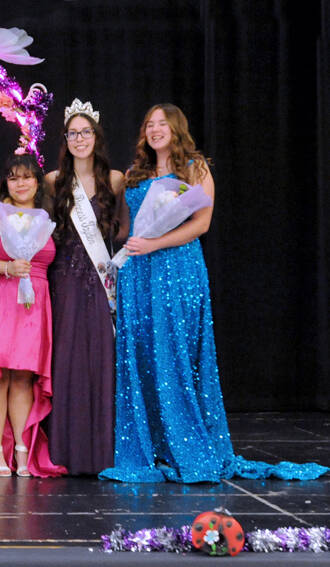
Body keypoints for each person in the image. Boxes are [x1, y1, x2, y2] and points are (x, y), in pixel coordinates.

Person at [99, 103, 327, 482]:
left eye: (162, 124)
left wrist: (155, 244)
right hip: (139, 274)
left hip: (178, 268)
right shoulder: (134, 175)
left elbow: (201, 224)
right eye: (149, 124)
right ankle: (152, 446)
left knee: (175, 352)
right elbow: (124, 229)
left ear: (176, 129)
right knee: (142, 354)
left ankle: (186, 443)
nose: (155, 130)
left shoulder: (196, 168)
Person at [0, 153, 67, 478]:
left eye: (26, 176)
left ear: (38, 181)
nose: (20, 183)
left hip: (35, 303)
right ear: (6, 182)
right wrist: (8, 267)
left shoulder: (47, 215)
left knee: (24, 377)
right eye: (13, 177)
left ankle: (22, 450)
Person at [45, 99, 128, 475]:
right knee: (67, 359)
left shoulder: (115, 179)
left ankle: (102, 452)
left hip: (101, 280)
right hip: (63, 280)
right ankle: (67, 450)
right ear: (65, 139)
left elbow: (124, 230)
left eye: (86, 132)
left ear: (96, 137)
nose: (80, 139)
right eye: (73, 133)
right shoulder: (52, 181)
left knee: (101, 358)